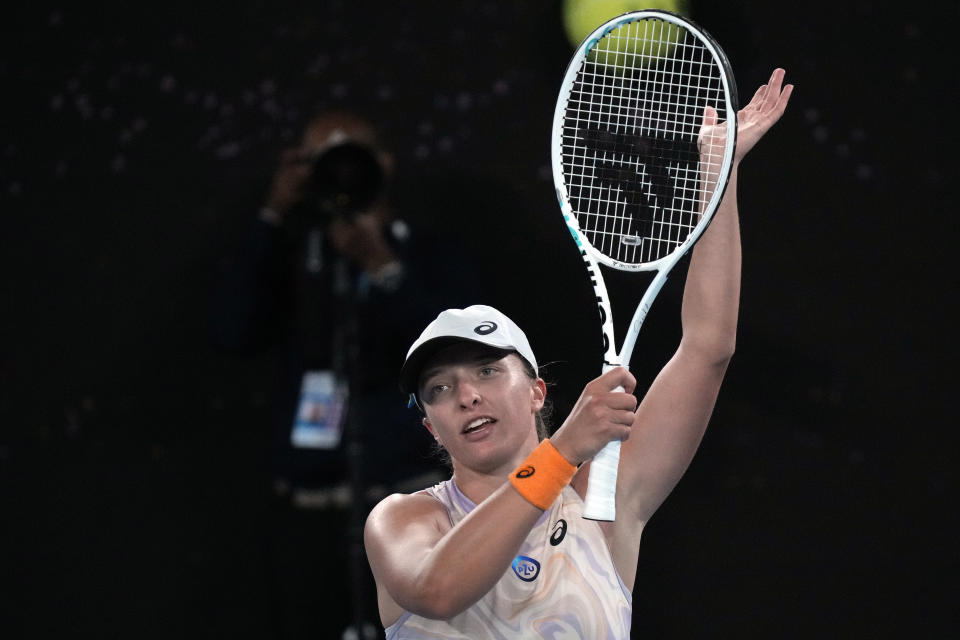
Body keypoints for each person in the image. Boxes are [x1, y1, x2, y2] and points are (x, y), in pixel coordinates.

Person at [363, 69, 793, 637]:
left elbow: (708, 347)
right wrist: (564, 449)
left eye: (488, 370)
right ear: (431, 428)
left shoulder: (605, 499)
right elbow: (438, 592)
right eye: (438, 389)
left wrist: (720, 178)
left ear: (537, 389)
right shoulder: (404, 519)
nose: (466, 395)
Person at [211, 110, 480, 635]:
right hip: (314, 512)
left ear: (382, 163)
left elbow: (459, 355)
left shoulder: (430, 255)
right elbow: (231, 331)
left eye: (350, 157)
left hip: (414, 504)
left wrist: (383, 267)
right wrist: (271, 215)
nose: (339, 173)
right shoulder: (290, 257)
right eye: (320, 161)